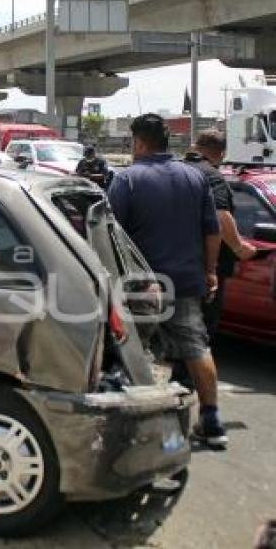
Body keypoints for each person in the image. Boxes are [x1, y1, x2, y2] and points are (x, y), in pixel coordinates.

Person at [107, 113, 226, 448]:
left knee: (135, 353)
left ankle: (138, 434)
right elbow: (212, 231)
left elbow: (110, 234)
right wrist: (211, 270)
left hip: (141, 287)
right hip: (186, 282)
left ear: (140, 142)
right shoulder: (195, 177)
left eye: (133, 143)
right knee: (196, 348)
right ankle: (213, 422)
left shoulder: (127, 180)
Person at [184, 130, 258, 340]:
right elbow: (220, 215)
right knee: (200, 333)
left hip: (174, 262)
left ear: (195, 146)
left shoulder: (177, 170)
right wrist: (238, 247)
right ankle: (192, 372)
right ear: (221, 154)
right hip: (203, 267)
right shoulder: (212, 176)